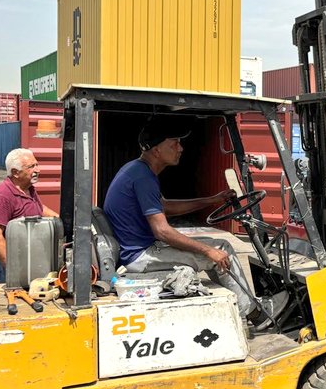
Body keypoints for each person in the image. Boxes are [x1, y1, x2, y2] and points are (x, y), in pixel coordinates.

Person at [102, 116, 256, 319]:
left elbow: (165, 207)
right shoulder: (143, 178)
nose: (180, 148)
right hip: (140, 256)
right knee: (220, 249)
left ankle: (234, 309)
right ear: (156, 150)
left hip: (138, 249)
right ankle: (252, 313)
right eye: (174, 144)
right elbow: (162, 231)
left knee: (216, 247)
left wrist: (213, 199)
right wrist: (208, 251)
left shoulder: (136, 170)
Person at [0, 148, 58, 284]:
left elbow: (39, 208)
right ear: (15, 173)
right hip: (10, 264)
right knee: (17, 301)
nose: (38, 170)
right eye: (31, 167)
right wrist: (13, 269)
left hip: (29, 260)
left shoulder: (28, 189)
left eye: (37, 165)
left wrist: (60, 219)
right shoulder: (2, 196)